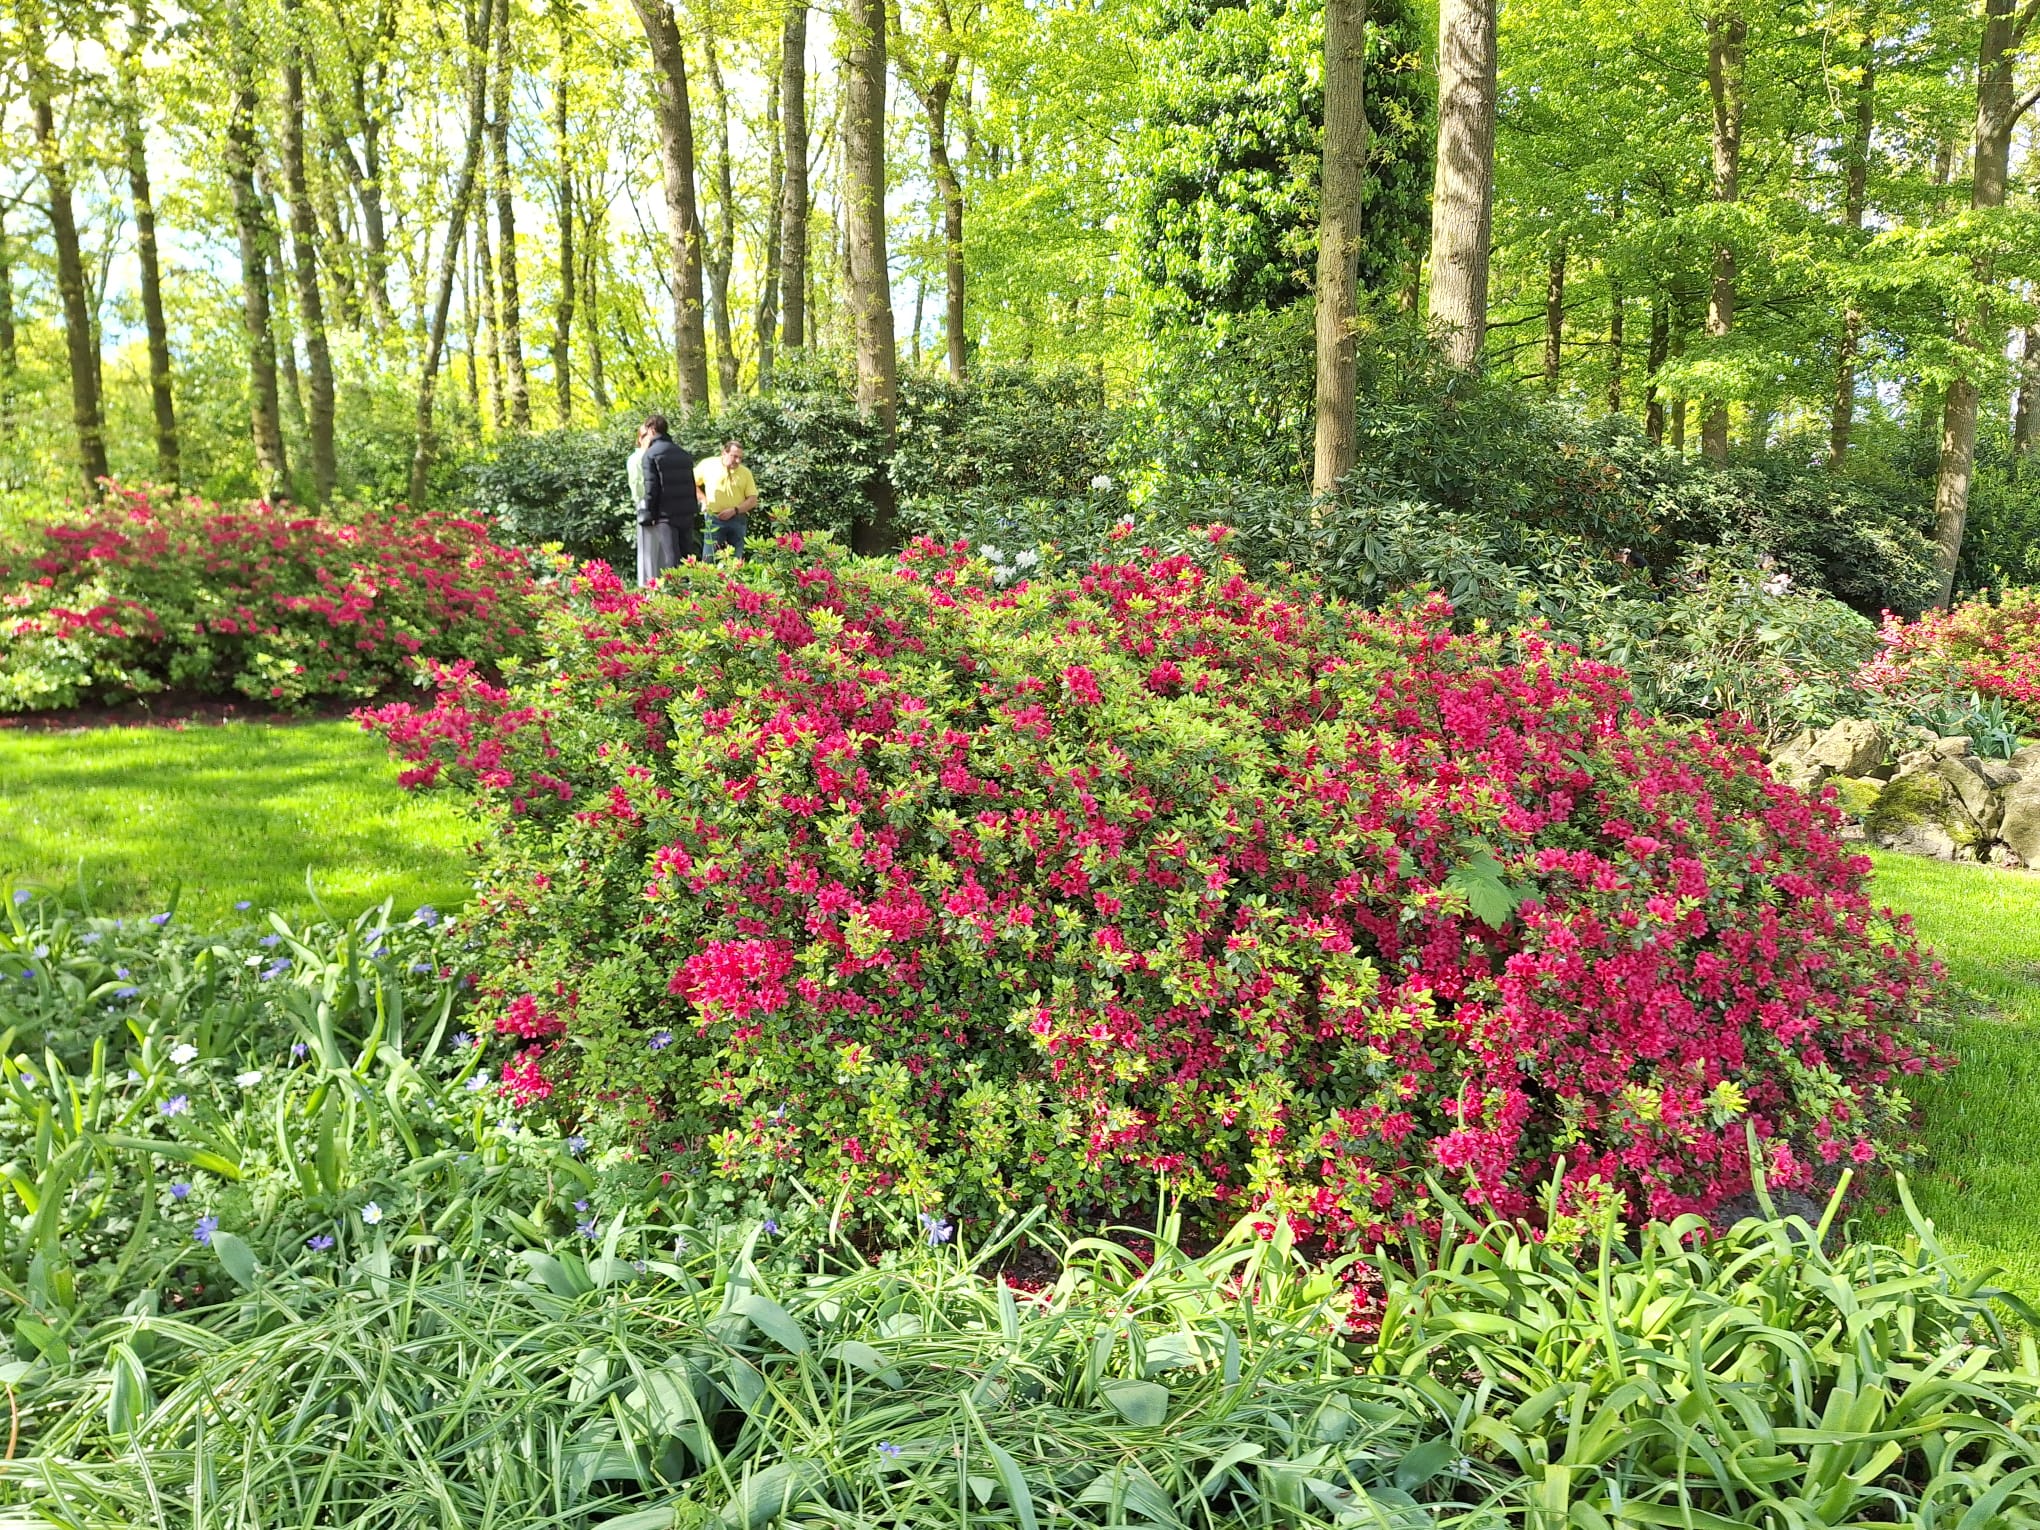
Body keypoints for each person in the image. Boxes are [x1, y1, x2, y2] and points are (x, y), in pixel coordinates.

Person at [636, 414, 698, 582]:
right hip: (686, 511)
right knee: (687, 555)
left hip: (666, 514)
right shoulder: (683, 453)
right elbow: (690, 484)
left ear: (651, 429)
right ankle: (694, 590)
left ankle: (676, 597)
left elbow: (651, 487)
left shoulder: (650, 455)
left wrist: (650, 513)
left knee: (671, 557)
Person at [696, 438, 759, 561]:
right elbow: (690, 482)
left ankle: (734, 580)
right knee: (709, 558)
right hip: (714, 519)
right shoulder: (708, 465)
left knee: (736, 560)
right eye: (734, 456)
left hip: (737, 519)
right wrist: (703, 499)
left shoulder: (745, 472)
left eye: (740, 458)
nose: (737, 461)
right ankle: (707, 580)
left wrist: (735, 510)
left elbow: (752, 499)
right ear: (724, 453)